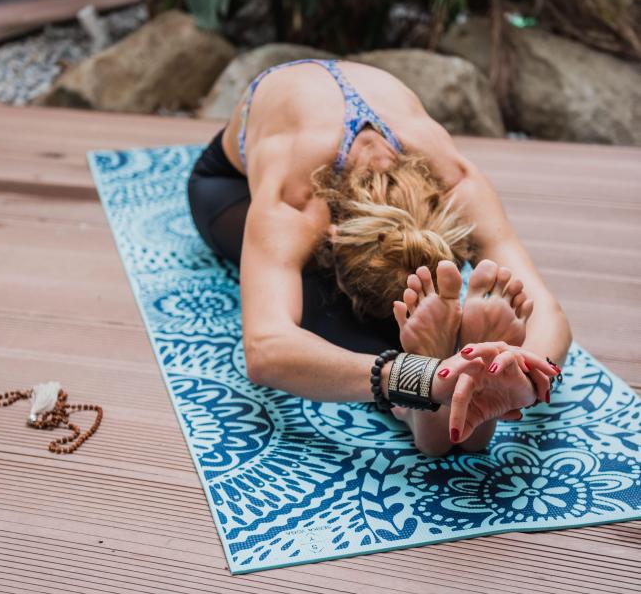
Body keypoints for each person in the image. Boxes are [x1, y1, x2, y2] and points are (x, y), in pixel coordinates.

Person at [188, 57, 570, 455]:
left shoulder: (454, 181)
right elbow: (266, 347)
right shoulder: (295, 198)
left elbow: (547, 314)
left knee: (405, 309)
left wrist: (520, 373)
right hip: (226, 186)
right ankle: (423, 393)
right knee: (319, 291)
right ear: (331, 234)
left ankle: (438, 389)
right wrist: (417, 376)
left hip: (331, 146)